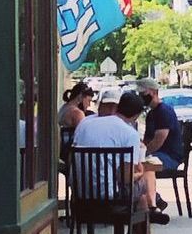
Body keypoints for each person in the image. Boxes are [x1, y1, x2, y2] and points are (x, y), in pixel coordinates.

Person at [72, 92, 169, 225]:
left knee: (139, 192)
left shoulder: (85, 123)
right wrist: (139, 174)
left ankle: (150, 212)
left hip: (80, 193)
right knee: (143, 188)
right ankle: (150, 212)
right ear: (136, 116)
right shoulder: (130, 133)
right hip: (110, 197)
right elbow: (126, 178)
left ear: (118, 107)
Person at [137, 77, 182, 212]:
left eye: (144, 94)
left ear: (154, 92)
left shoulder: (164, 111)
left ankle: (153, 204)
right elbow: (147, 140)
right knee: (134, 167)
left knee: (146, 166)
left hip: (169, 156)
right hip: (157, 154)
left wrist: (143, 154)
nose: (142, 97)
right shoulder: (151, 114)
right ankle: (153, 200)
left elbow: (159, 140)